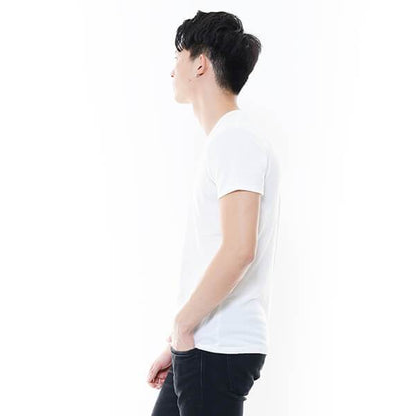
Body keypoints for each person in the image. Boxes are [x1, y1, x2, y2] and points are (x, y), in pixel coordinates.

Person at [148, 10, 281, 415]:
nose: (173, 69)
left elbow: (239, 250)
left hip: (216, 347)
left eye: (178, 57)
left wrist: (184, 326)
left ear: (200, 64)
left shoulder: (236, 138)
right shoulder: (229, 139)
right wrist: (178, 340)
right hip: (203, 343)